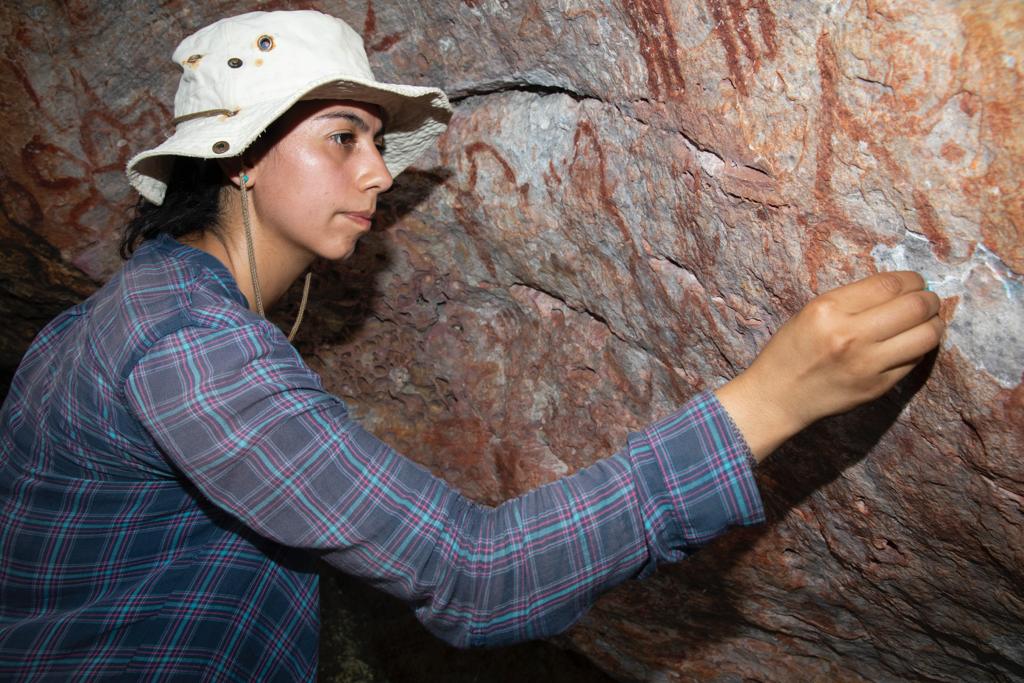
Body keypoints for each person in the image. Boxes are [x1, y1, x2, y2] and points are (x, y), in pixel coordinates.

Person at [0, 9, 944, 682]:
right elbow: (476, 576)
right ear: (240, 159)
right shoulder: (190, 349)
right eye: (343, 137)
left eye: (375, 139)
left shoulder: (134, 313)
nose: (377, 172)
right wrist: (773, 399)